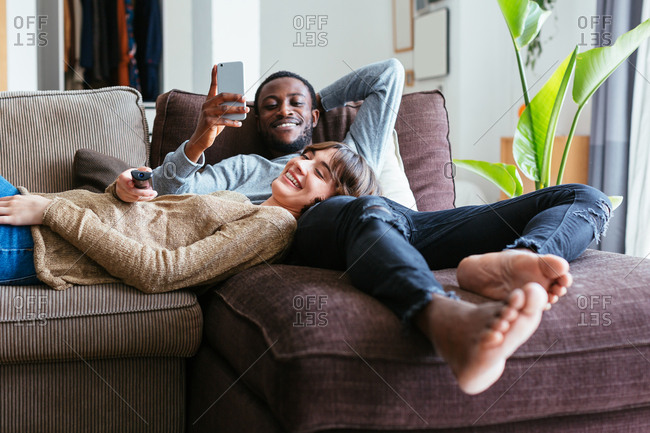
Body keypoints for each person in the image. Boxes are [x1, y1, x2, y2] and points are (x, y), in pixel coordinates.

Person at [286, 184, 612, 395]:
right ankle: (446, 318)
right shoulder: (265, 194)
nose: (301, 165)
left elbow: (384, 76)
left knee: (587, 197)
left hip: (413, 223)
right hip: (350, 220)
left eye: (321, 168)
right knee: (365, 210)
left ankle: (517, 258)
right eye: (303, 158)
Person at [0, 142, 379, 292]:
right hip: (32, 209)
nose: (302, 164)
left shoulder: (275, 227)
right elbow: (141, 224)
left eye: (320, 173)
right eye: (309, 155)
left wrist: (54, 213)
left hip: (39, 244)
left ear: (332, 201)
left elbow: (160, 272)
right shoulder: (241, 202)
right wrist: (122, 194)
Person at [113, 58, 404, 204]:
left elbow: (388, 73)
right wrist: (197, 142)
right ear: (258, 120)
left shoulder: (350, 158)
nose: (284, 110)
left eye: (296, 103)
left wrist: (321, 101)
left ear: (314, 117)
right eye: (270, 105)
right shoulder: (244, 168)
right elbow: (168, 195)